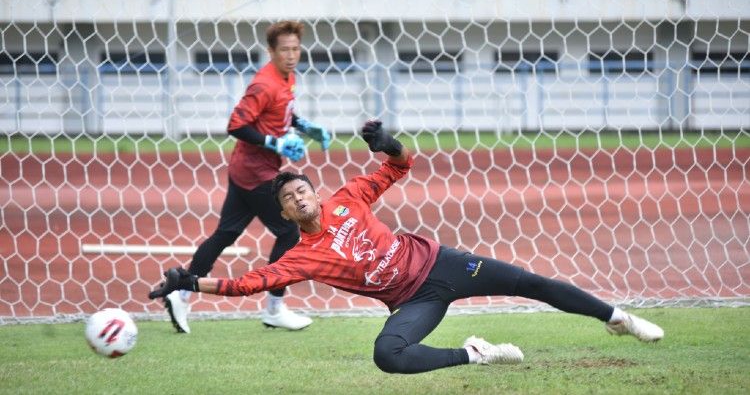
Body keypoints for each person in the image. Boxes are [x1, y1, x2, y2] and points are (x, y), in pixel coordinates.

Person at [150, 120, 664, 373]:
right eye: (288, 198)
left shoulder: (348, 198)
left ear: (314, 191)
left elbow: (398, 166)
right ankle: (475, 354)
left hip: (443, 263)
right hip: (413, 301)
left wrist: (387, 143)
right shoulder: (298, 258)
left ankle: (619, 317)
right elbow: (248, 284)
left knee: (533, 282)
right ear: (283, 214)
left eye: (302, 189)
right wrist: (191, 281)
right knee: (387, 356)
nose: (298, 198)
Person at [163, 20, 331, 333]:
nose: (292, 55)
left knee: (226, 233)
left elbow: (281, 111)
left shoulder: (287, 76)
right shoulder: (263, 83)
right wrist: (275, 142)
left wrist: (305, 126)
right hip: (257, 172)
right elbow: (236, 125)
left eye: (296, 48)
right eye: (285, 50)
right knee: (290, 232)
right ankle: (274, 307)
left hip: (244, 169)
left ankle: (181, 293)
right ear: (271, 51)